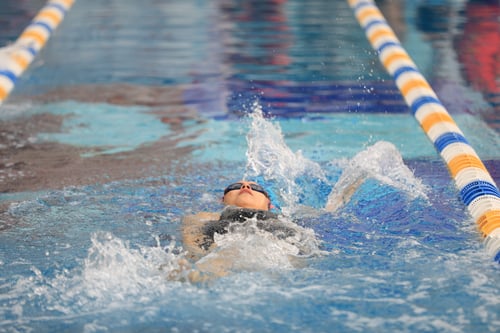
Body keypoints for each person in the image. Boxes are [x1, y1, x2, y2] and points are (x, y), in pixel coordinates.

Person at [180, 180, 298, 280]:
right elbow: (193, 245)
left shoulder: (285, 220)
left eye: (256, 188)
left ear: (269, 204)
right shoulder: (205, 217)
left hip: (277, 254)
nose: (245, 187)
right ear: (223, 200)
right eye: (235, 187)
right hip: (225, 254)